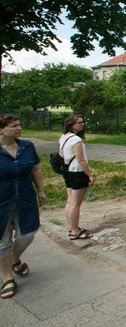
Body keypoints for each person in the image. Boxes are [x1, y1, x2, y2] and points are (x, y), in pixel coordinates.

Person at [0, 114, 46, 299]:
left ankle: (14, 259)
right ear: (1, 130)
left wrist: (41, 190)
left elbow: (35, 168)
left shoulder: (27, 146)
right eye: (13, 126)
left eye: (19, 125)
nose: (19, 128)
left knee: (27, 233)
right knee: (3, 241)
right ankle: (6, 277)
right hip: (2, 199)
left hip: (25, 196)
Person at [60, 114, 94, 240]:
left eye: (83, 122)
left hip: (68, 171)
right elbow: (81, 160)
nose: (83, 124)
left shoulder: (64, 137)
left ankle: (72, 226)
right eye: (79, 122)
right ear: (71, 125)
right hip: (78, 172)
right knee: (76, 204)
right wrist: (89, 174)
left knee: (70, 201)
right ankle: (75, 231)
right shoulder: (76, 140)